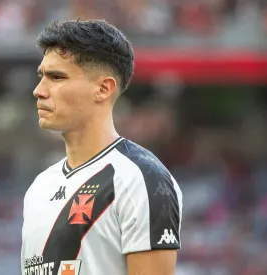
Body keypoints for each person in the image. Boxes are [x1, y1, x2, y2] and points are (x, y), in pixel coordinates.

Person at [21, 19, 183, 275]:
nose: (38, 91)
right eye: (42, 76)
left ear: (103, 88)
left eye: (56, 77)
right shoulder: (39, 187)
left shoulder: (143, 179)